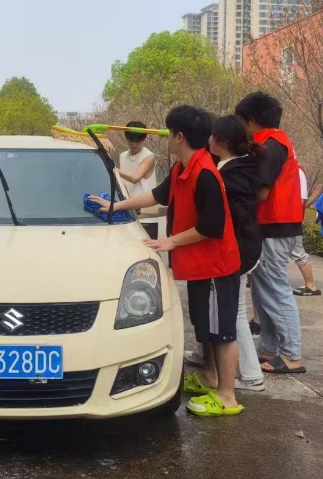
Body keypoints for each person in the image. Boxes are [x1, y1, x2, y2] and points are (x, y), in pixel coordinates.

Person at [92, 106, 244, 416]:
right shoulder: (181, 169)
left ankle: (227, 395)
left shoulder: (205, 175)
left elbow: (212, 227)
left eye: (170, 132)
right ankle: (210, 377)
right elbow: (158, 196)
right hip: (200, 266)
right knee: (205, 326)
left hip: (216, 268)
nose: (167, 138)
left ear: (180, 136)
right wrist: (115, 205)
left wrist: (171, 241)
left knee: (223, 331)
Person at [233, 92, 306, 376]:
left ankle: (291, 356)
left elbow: (261, 191)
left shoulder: (270, 145)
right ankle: (269, 348)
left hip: (275, 225)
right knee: (264, 290)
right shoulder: (274, 141)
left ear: (251, 120)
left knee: (276, 290)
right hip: (273, 225)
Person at [209, 115, 265, 393]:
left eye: (211, 135)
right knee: (234, 312)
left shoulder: (232, 173)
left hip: (239, 251)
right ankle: (246, 372)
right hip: (245, 247)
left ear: (219, 142)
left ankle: (252, 375)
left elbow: (233, 217)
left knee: (235, 314)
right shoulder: (239, 166)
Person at [117, 120, 159, 238]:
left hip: (145, 215)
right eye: (131, 140)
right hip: (127, 213)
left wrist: (114, 169)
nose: (134, 144)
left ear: (143, 139)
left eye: (138, 141)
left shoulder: (149, 156)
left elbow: (135, 177)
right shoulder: (123, 156)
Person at [290, 165, 320, 296]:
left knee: (297, 251)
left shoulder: (297, 171)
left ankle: (310, 285)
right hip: (286, 220)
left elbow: (301, 200)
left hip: (292, 220)